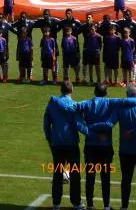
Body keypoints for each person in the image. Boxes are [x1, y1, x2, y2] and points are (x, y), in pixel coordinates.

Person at [50, 83, 136, 210]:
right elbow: (126, 101)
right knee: (105, 177)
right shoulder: (110, 102)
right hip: (105, 147)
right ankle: (107, 206)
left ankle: (90, 206)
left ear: (94, 92)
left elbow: (72, 109)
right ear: (106, 93)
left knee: (90, 177)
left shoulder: (86, 104)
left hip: (90, 146)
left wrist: (55, 100)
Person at [92, 83, 136, 210]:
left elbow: (109, 124)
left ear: (127, 94)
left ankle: (124, 207)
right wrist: (135, 131)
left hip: (126, 150)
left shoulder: (120, 108)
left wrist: (92, 127)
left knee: (126, 180)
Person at [43, 81, 88, 210]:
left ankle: (56, 204)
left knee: (57, 173)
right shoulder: (74, 106)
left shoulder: (52, 105)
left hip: (56, 143)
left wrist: (50, 138)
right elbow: (79, 125)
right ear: (72, 90)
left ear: (61, 90)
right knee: (75, 173)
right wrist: (91, 133)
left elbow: (46, 124)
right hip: (71, 143)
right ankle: (76, 203)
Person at [117, 9, 136, 82]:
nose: (126, 16)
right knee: (124, 63)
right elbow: (113, 23)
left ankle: (132, 79)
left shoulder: (135, 24)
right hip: (124, 46)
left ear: (131, 15)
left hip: (133, 47)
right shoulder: (122, 22)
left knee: (133, 63)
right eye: (125, 15)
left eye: (128, 14)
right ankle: (124, 80)